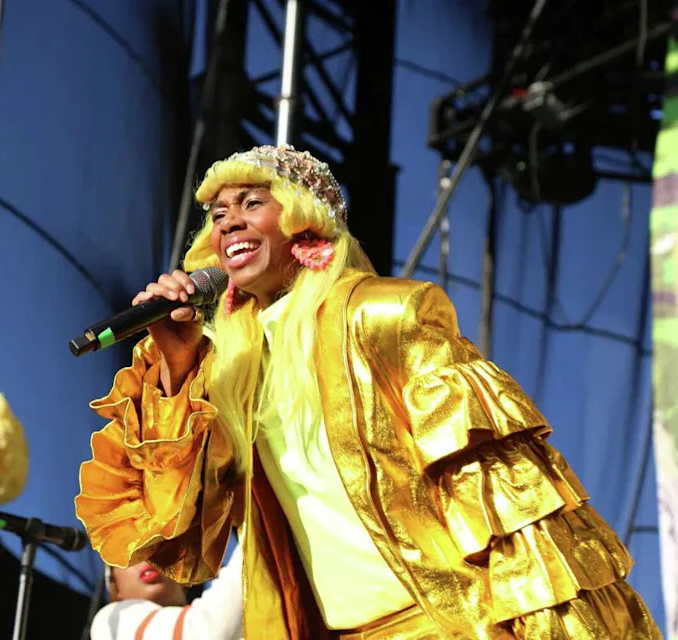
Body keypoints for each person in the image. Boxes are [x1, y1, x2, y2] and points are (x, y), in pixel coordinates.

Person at [75, 145, 661, 639]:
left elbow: (497, 485)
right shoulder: (225, 368)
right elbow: (172, 531)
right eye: (219, 212)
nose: (228, 221)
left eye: (253, 203)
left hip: (441, 621)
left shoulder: (383, 316)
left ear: (304, 222)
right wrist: (177, 365)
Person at [90, 544, 243, 640]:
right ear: (115, 586)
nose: (147, 557)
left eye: (159, 546)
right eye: (130, 554)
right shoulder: (109, 621)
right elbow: (207, 632)